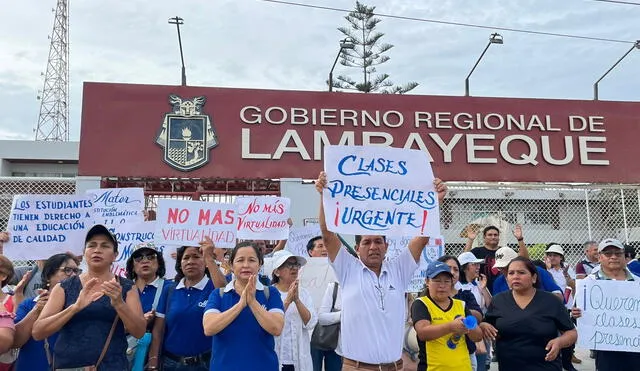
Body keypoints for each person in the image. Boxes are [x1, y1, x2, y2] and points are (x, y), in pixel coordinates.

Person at [315, 171, 448, 371]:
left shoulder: (399, 270)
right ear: (357, 248)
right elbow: (327, 235)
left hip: (394, 367)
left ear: (386, 246)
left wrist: (434, 202)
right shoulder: (347, 268)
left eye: (378, 241)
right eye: (366, 242)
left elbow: (421, 238)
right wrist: (324, 196)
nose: (373, 247)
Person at [32, 224, 146, 370]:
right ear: (84, 252)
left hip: (112, 366)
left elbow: (139, 331)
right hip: (69, 367)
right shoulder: (64, 287)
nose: (97, 250)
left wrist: (119, 304)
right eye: (92, 245)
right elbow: (38, 332)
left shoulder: (127, 287)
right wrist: (75, 308)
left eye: (105, 246)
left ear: (115, 255)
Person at [480, 257, 577, 371]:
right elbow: (486, 324)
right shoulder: (498, 301)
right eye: (511, 273)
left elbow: (571, 332)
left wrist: (560, 342)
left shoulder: (551, 301)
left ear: (534, 277)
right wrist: (483, 326)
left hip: (546, 366)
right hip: (509, 366)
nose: (515, 276)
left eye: (521, 272)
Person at [203, 241, 284, 371]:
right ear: (231, 265)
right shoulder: (219, 294)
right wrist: (241, 304)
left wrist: (252, 302)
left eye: (252, 260)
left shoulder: (270, 293)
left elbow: (276, 328)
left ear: (260, 264)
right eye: (240, 260)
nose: (246, 265)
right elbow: (209, 328)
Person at [572, 238, 640, 370]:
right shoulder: (588, 284)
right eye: (608, 253)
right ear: (599, 257)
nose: (613, 257)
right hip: (606, 349)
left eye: (618, 253)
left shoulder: (637, 282)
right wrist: (576, 314)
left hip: (635, 345)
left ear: (624, 256)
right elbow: (576, 315)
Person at [147, 244, 214, 371]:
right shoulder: (169, 290)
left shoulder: (214, 288)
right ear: (180, 264)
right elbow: (158, 330)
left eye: (196, 257)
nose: (190, 261)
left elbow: (224, 288)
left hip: (205, 364)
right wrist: (153, 362)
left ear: (206, 262)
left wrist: (210, 257)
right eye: (186, 258)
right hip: (171, 364)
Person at [412, 261, 484, 371]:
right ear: (427, 281)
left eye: (446, 281)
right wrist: (451, 327)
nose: (442, 285)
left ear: (452, 283)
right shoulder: (421, 303)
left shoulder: (460, 304)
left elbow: (478, 337)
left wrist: (468, 325)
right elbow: (423, 333)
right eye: (437, 281)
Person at [13, 253, 79, 371]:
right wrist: (36, 311)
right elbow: (16, 341)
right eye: (67, 270)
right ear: (48, 276)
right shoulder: (29, 305)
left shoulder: (80, 306)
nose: (74, 275)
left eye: (76, 271)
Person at [271, 250, 317, 371]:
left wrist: (297, 300)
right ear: (277, 272)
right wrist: (287, 301)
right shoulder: (269, 294)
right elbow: (270, 323)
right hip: (276, 357)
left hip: (299, 359)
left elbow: (311, 323)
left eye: (296, 265)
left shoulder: (304, 293)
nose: (294, 268)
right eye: (289, 265)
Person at [124, 242, 167, 369]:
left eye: (150, 256)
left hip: (159, 356)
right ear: (132, 265)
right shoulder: (122, 288)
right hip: (124, 352)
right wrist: (140, 321)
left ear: (159, 262)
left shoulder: (169, 287)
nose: (145, 261)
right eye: (138, 258)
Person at [436, 256, 483, 370]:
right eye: (448, 268)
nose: (452, 272)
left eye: (456, 269)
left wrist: (461, 310)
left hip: (466, 353)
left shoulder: (465, 295)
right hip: (438, 355)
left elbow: (478, 316)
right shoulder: (428, 297)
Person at [543, 244, 579, 370]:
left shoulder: (567, 268)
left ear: (561, 257)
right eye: (550, 255)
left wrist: (567, 277)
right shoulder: (545, 270)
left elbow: (573, 285)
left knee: (569, 334)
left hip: (567, 306)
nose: (552, 258)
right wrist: (547, 270)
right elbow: (548, 284)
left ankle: (567, 362)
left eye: (555, 255)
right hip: (551, 307)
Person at [464, 224, 526, 295]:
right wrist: (470, 239)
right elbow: (464, 259)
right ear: (484, 237)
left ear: (499, 237)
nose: (493, 237)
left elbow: (524, 259)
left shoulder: (504, 250)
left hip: (504, 288)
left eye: (495, 235)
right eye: (490, 235)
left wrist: (520, 239)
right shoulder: (478, 251)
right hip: (483, 290)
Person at [490, 247, 562, 299]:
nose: (503, 270)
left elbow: (559, 295)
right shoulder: (499, 281)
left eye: (506, 266)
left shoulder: (538, 271)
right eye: (500, 268)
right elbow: (497, 305)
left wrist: (538, 299)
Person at [315, 281, 343, 371]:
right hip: (334, 346)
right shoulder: (334, 287)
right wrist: (343, 315)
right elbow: (322, 318)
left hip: (357, 351)